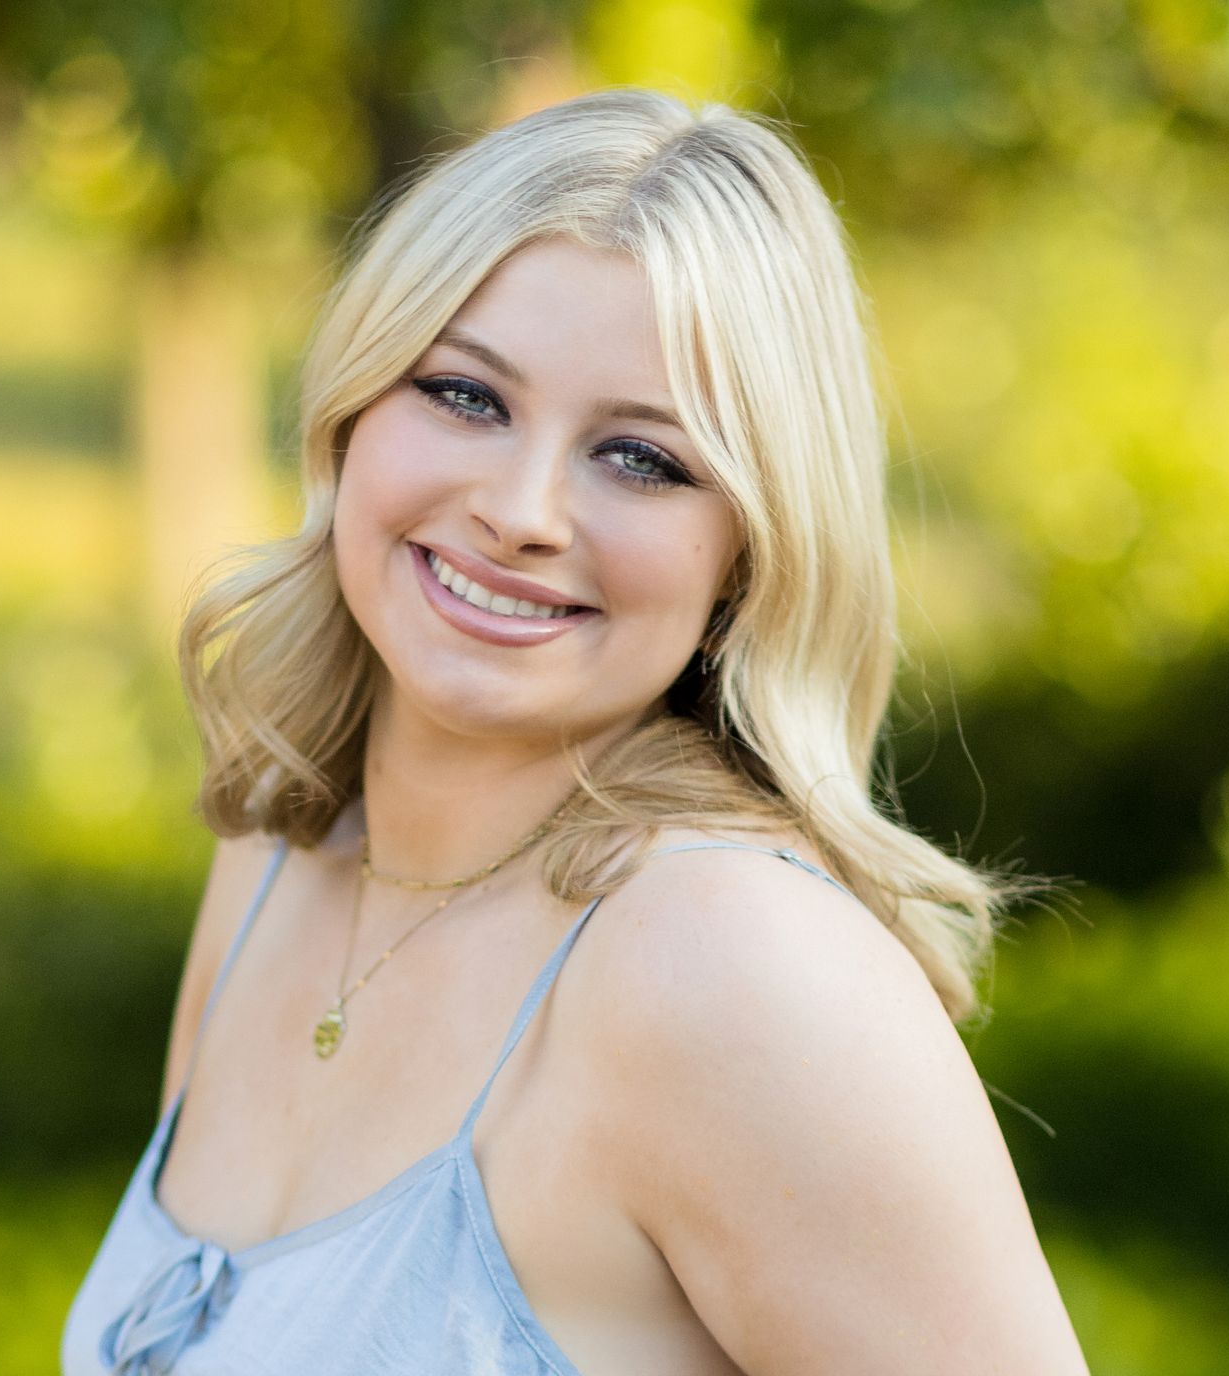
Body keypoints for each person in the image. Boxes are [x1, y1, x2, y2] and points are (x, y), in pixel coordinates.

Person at [63, 86, 1090, 1375]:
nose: (523, 510)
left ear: (747, 557)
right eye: (465, 395)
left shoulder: (740, 973)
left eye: (645, 460)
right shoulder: (280, 863)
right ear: (352, 411)